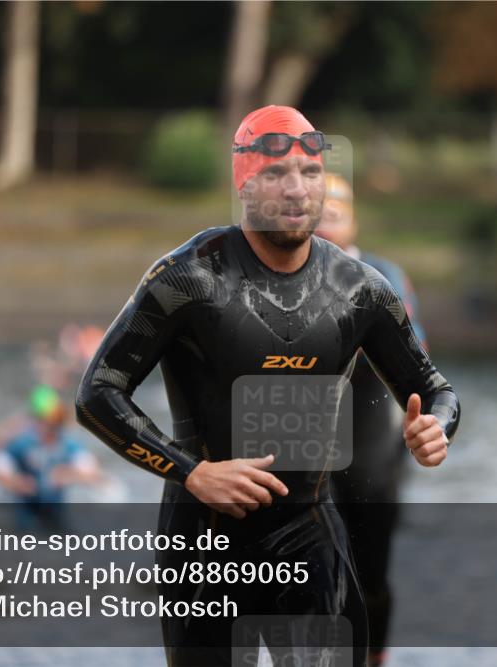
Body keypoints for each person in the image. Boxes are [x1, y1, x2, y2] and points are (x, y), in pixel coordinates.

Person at [75, 105, 460, 666]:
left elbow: (436, 390)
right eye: (277, 174)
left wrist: (435, 428)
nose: (297, 189)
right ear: (245, 184)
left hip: (309, 533)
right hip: (203, 538)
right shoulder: (189, 278)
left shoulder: (359, 289)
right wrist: (193, 473)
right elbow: (98, 392)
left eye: (310, 173)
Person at [315, 173, 426, 667]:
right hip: (305, 434)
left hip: (372, 432)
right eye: (317, 213)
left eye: (335, 212)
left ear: (353, 219)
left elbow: (413, 353)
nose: (325, 223)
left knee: (371, 568)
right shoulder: (280, 276)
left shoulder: (381, 274)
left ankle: (373, 655)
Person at [0, 384, 104, 530]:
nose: (51, 427)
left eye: (55, 423)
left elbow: (91, 469)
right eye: (46, 422)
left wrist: (68, 475)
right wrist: (15, 481)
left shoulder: (65, 441)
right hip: (25, 507)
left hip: (53, 508)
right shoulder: (21, 437)